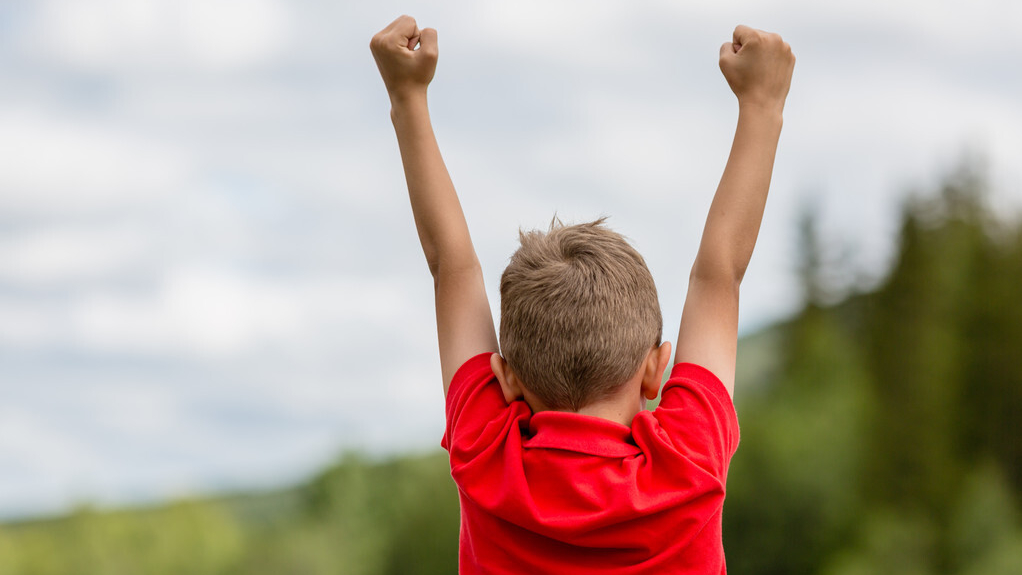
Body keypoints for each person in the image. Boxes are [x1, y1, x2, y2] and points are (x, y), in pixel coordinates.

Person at [370, 14, 794, 574]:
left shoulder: (488, 459)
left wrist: (407, 96)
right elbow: (720, 276)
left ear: (506, 377)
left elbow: (452, 267)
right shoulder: (687, 465)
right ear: (656, 368)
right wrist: (762, 104)